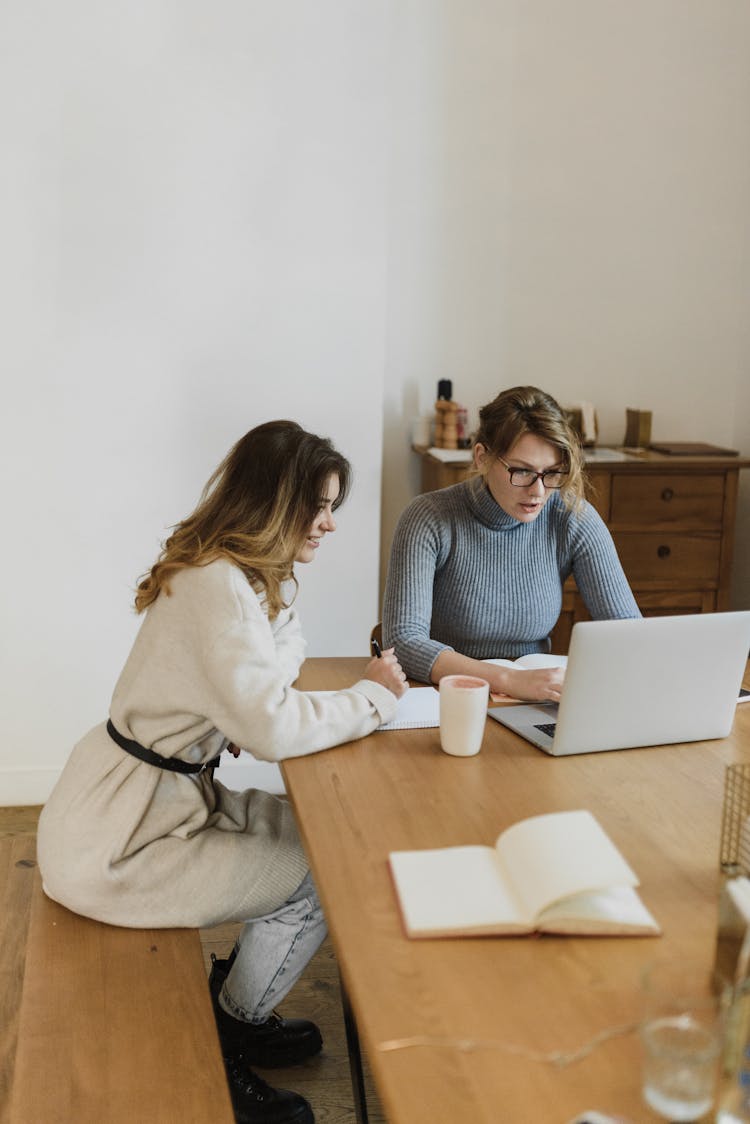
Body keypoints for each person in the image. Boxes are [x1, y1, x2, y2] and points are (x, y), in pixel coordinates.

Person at [37, 420, 407, 1124]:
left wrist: (243, 704)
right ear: (274, 501)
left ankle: (238, 1001)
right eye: (318, 506)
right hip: (121, 839)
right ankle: (227, 1028)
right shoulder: (220, 588)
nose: (329, 524)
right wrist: (373, 700)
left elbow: (275, 660)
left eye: (333, 507)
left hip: (153, 797)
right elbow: (270, 724)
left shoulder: (227, 573)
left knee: (316, 838)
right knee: (315, 873)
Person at [382, 385, 640, 702]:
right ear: (482, 457)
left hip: (536, 701)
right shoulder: (429, 518)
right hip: (446, 700)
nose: (538, 491)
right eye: (522, 471)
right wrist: (507, 679)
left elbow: (629, 636)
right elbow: (404, 643)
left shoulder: (571, 518)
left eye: (552, 473)